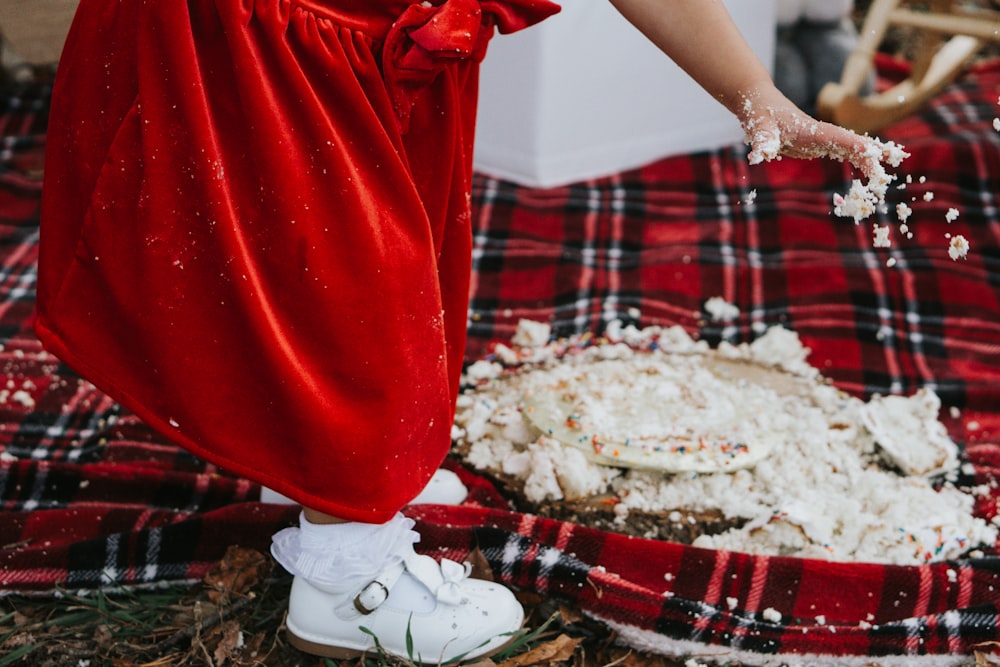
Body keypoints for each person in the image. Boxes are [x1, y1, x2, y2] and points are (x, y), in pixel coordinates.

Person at [35, 0, 885, 662]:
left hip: (363, 40)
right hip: (271, 40)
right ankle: (348, 582)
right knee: (345, 296)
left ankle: (312, 468)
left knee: (380, 276)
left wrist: (757, 95)